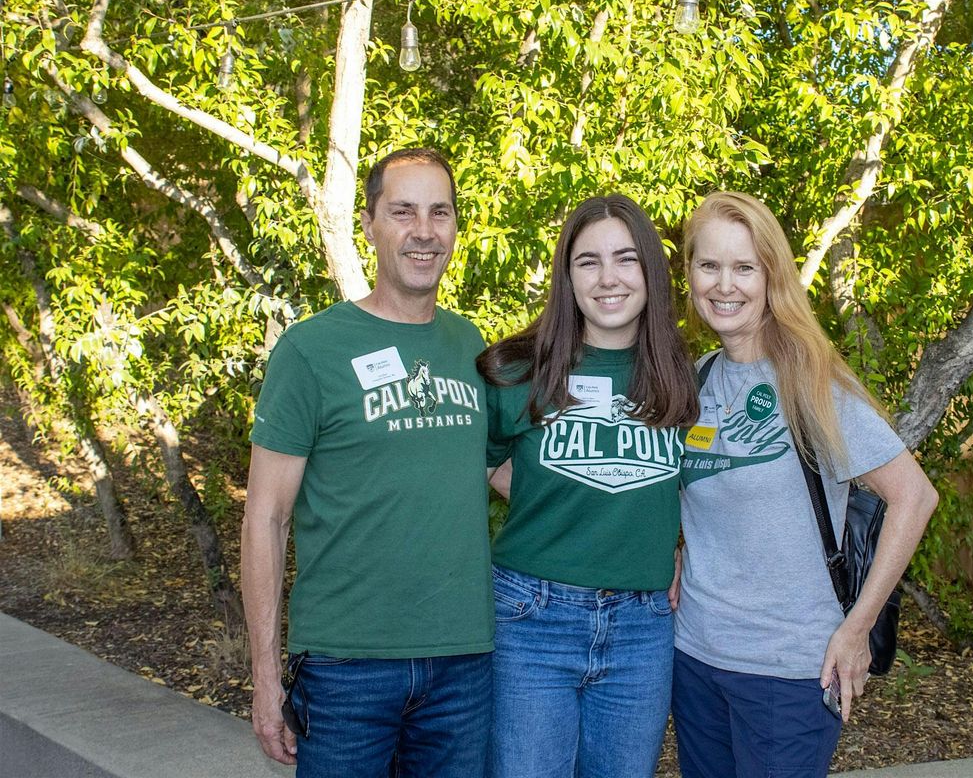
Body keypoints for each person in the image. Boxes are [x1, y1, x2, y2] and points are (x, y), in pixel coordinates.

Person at [241, 148, 493, 777]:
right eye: (403, 211)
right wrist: (265, 678)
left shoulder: (471, 346)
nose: (424, 231)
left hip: (464, 665)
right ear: (369, 223)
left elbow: (501, 474)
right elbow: (265, 518)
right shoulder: (311, 350)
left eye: (440, 213)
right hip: (346, 669)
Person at [670, 191, 939, 778]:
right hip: (694, 659)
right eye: (709, 265)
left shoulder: (811, 383)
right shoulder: (693, 382)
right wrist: (675, 549)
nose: (725, 284)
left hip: (790, 670)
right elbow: (691, 501)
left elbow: (914, 497)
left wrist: (857, 626)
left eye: (745, 268)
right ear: (689, 273)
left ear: (772, 277)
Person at [477, 194, 699, 778]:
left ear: (651, 270)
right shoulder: (517, 371)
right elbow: (473, 467)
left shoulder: (683, 376)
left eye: (626, 259)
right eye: (587, 261)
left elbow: (689, 486)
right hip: (531, 619)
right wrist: (540, 497)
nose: (608, 278)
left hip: (643, 628)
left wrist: (669, 538)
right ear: (566, 276)